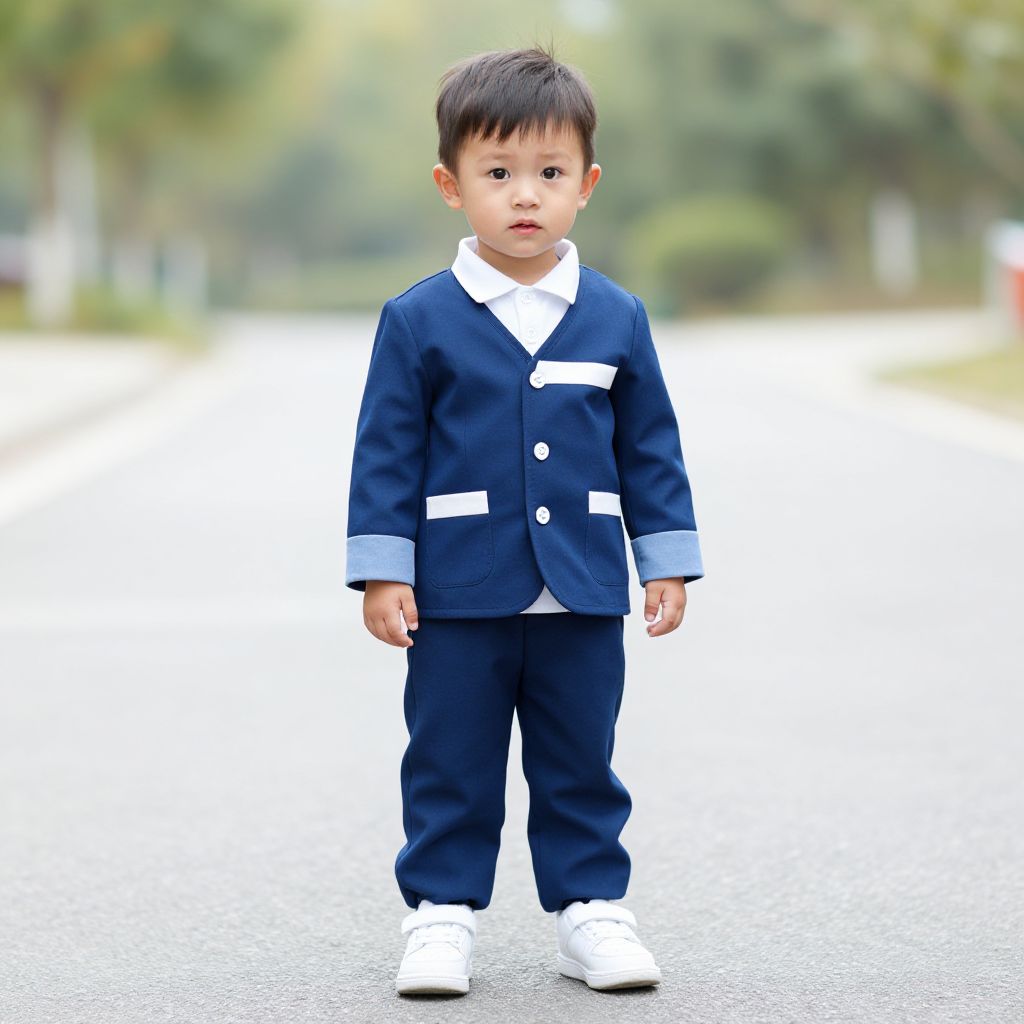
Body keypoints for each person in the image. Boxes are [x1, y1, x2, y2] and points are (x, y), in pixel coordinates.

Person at [345, 44, 704, 996]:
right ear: (450, 185)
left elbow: (650, 449)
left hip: (581, 588)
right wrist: (384, 569)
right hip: (456, 592)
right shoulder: (418, 320)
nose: (525, 196)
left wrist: (664, 559)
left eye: (549, 173)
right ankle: (440, 914)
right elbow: (386, 453)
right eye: (497, 174)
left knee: (580, 757)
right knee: (450, 756)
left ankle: (592, 910)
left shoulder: (616, 316)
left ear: (586, 183)